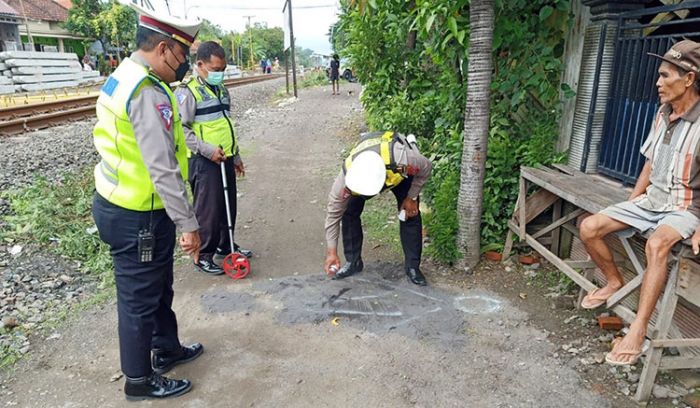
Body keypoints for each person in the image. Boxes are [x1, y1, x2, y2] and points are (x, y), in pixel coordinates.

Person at [91, 0, 204, 400]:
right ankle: (139, 380)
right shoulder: (145, 93)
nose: (184, 63)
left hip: (127, 203)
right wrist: (189, 223)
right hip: (137, 211)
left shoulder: (127, 75)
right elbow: (162, 168)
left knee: (158, 285)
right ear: (163, 49)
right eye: (183, 54)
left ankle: (166, 348)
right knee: (139, 298)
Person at [579, 40, 700, 366]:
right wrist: (628, 208)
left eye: (665, 76)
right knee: (590, 227)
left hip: (685, 208)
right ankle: (614, 281)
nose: (658, 83)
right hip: (651, 201)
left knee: (657, 245)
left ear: (688, 79)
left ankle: (638, 328)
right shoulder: (662, 113)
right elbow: (649, 163)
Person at [175, 41, 252, 275]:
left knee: (227, 204)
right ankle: (204, 255)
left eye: (222, 70)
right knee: (208, 209)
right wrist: (207, 150)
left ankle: (225, 245)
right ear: (200, 65)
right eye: (216, 69)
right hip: (204, 161)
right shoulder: (187, 92)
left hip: (225, 157)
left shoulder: (220, 89)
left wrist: (235, 155)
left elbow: (225, 124)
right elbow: (182, 131)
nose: (220, 74)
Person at [323, 131, 432, 285]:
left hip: (396, 171)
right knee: (349, 211)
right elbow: (333, 216)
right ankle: (353, 262)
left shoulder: (402, 161)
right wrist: (331, 252)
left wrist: (411, 197)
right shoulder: (346, 180)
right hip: (368, 168)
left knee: (409, 213)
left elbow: (426, 167)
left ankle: (413, 267)